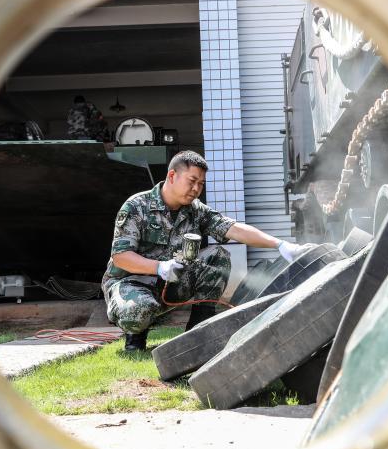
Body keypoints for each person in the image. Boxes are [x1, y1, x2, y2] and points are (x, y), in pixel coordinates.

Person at [102, 150, 312, 351]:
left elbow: (234, 229)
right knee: (137, 311)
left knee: (217, 256)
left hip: (171, 282)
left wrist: (280, 244)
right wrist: (159, 267)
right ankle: (135, 339)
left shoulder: (195, 210)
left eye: (201, 184)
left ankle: (197, 333)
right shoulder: (137, 207)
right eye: (192, 181)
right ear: (172, 176)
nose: (196, 189)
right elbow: (121, 257)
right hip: (131, 283)